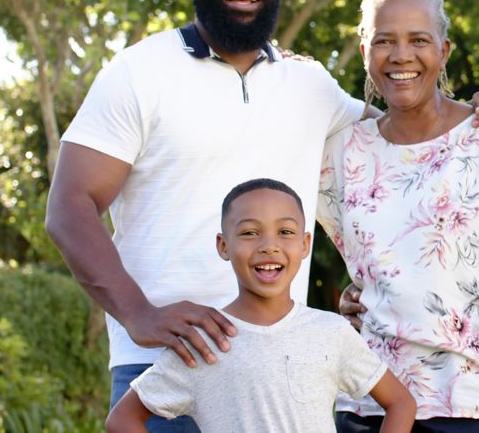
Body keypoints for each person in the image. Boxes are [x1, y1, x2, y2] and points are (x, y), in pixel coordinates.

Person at [44, 0, 479, 431]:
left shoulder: (308, 84)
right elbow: (69, 207)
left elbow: (405, 133)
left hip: (286, 373)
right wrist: (139, 314)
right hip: (169, 366)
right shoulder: (139, 71)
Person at [317, 0, 479, 432]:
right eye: (384, 40)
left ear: (444, 51)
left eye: (418, 41)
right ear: (365, 50)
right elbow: (366, 272)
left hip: (475, 403)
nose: (401, 55)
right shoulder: (343, 152)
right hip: (369, 403)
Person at [104, 178, 416, 432]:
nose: (269, 246)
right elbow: (122, 420)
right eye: (250, 233)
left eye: (285, 232)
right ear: (223, 246)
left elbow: (401, 403)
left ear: (305, 244)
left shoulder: (331, 331)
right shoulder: (206, 341)